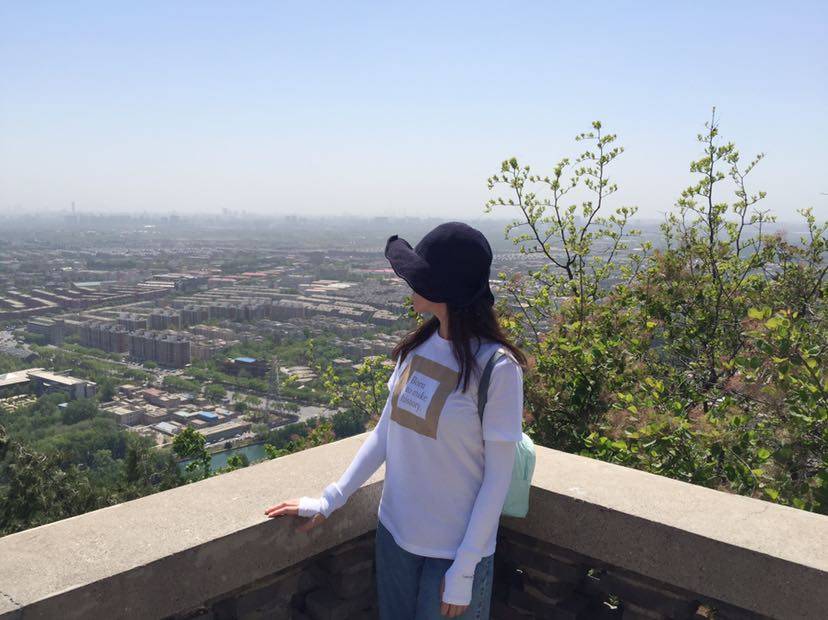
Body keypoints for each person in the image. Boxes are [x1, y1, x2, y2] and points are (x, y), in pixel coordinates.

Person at [265, 221, 527, 619]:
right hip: (394, 537)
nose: (409, 282)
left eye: (420, 276)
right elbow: (385, 434)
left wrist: (465, 568)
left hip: (453, 553)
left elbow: (497, 478)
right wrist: (329, 500)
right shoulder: (418, 348)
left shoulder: (497, 368)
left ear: (447, 288)